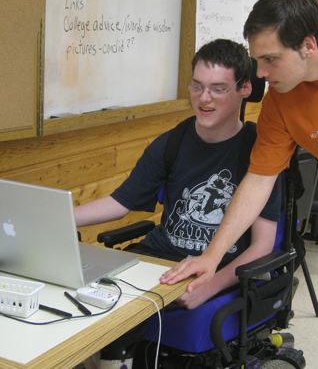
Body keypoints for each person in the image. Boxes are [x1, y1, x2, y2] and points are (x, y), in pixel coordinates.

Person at [161, 0, 318, 368]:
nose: (259, 74)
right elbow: (258, 180)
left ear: (308, 45)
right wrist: (212, 255)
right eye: (257, 60)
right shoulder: (279, 104)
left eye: (269, 59)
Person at [75, 38, 284, 369]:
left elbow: (262, 246)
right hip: (156, 258)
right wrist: (62, 218)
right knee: (80, 300)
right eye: (197, 86)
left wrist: (210, 285)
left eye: (218, 89)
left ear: (244, 89)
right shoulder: (172, 141)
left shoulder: (259, 152)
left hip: (211, 268)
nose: (204, 99)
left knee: (117, 325)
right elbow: (120, 202)